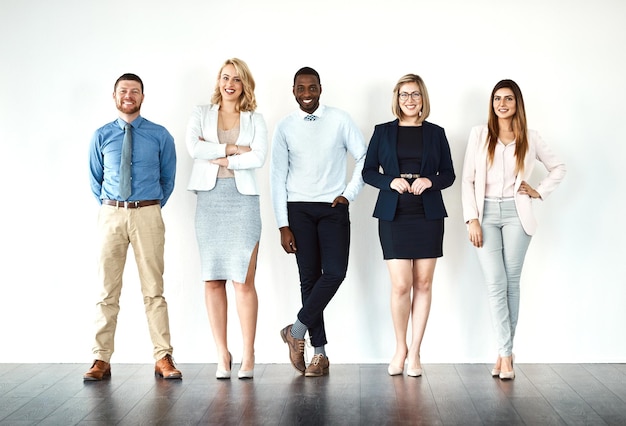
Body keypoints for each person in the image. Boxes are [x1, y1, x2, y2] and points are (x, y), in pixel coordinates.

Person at [462, 79, 566, 380]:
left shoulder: (530, 138)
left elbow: (558, 167)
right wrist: (472, 219)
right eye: (497, 99)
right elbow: (468, 179)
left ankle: (503, 353)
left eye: (508, 98)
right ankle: (506, 354)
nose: (502, 104)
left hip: (517, 215)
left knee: (510, 283)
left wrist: (539, 191)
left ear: (517, 103)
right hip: (486, 213)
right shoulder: (480, 134)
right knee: (496, 283)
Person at [271, 66, 367, 377]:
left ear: (320, 89)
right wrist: (282, 224)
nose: (307, 94)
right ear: (294, 91)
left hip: (332, 206)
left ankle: (296, 331)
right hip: (298, 209)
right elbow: (276, 177)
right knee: (309, 281)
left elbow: (364, 157)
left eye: (312, 88)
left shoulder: (339, 120)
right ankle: (320, 354)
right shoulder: (285, 127)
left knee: (335, 273)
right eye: (301, 88)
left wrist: (349, 194)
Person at [86, 73, 181, 381]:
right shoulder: (102, 135)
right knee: (106, 291)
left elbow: (168, 179)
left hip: (147, 214)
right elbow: (94, 179)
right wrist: (114, 206)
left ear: (143, 97)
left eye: (134, 91)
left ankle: (163, 357)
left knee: (154, 290)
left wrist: (149, 206)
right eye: (123, 91)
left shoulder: (160, 135)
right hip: (111, 214)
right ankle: (101, 359)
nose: (129, 95)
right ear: (115, 96)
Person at [362, 74, 455, 377]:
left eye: (415, 95)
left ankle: (415, 352)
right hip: (394, 214)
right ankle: (400, 348)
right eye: (404, 95)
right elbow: (368, 172)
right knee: (401, 284)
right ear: (397, 98)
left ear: (423, 98)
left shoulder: (436, 133)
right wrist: (390, 181)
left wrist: (430, 180)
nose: (410, 100)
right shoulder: (382, 132)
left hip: (428, 214)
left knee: (424, 283)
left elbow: (449, 174)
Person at [186, 58, 267, 380]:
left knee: (243, 281)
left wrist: (218, 155)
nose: (229, 83)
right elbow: (193, 147)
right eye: (225, 77)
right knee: (212, 279)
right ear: (218, 81)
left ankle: (248, 353)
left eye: (236, 78)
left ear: (245, 84)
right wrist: (235, 149)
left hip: (243, 201)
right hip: (209, 200)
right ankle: (223, 352)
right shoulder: (200, 114)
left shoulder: (255, 119)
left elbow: (259, 156)